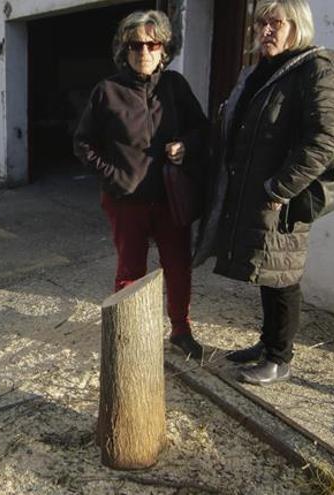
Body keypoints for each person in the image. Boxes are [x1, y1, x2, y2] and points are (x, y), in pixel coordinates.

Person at [194, 0, 334, 385]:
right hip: (255, 194)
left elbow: (327, 137)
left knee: (283, 275)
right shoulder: (260, 71)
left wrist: (281, 187)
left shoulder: (314, 67)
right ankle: (267, 344)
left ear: (297, 24)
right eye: (261, 23)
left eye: (275, 22)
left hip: (282, 197)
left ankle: (280, 357)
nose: (265, 31)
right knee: (267, 269)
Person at [73, 10, 208, 358]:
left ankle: (180, 330)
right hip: (126, 200)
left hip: (170, 197)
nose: (144, 52)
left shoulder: (176, 87)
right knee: (130, 272)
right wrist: (115, 177)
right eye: (135, 45)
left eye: (153, 43)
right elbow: (83, 143)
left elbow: (202, 130)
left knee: (177, 267)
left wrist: (186, 146)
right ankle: (128, 339)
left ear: (164, 48)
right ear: (124, 49)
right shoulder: (108, 91)